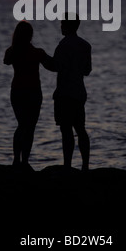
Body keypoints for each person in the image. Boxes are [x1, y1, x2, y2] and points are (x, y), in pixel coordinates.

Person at [45, 13, 92, 172]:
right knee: (80, 128)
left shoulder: (63, 45)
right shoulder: (85, 46)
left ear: (68, 25)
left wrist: (42, 57)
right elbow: (87, 71)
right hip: (79, 93)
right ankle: (85, 165)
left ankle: (67, 165)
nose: (61, 26)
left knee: (66, 130)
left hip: (64, 93)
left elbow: (54, 66)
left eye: (63, 23)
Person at [3, 20, 49, 171]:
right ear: (30, 35)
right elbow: (52, 65)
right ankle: (24, 161)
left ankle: (17, 160)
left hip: (17, 92)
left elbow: (6, 61)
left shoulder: (12, 51)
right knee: (29, 127)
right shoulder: (37, 53)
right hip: (33, 92)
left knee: (22, 125)